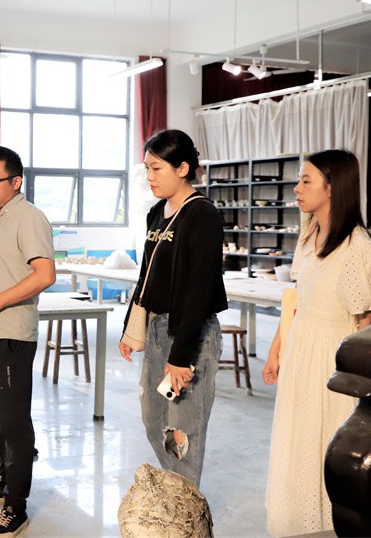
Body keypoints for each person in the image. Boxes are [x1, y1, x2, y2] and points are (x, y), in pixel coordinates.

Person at [262, 149, 371, 537]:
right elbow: (297, 300)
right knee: (296, 440)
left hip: (333, 360)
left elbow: (366, 322)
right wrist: (276, 349)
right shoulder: (309, 235)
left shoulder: (358, 248)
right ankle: (294, 524)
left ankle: (326, 525)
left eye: (306, 181)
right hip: (301, 349)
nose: (296, 188)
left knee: (326, 443)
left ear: (332, 188)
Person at [118, 129, 227, 487]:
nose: (149, 177)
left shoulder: (202, 214)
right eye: (147, 168)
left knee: (182, 432)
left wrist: (181, 355)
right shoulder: (157, 212)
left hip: (189, 334)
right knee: (154, 422)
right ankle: (177, 495)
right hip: (156, 329)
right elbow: (147, 275)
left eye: (156, 168)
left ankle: (186, 506)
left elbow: (199, 290)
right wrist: (131, 328)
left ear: (182, 169)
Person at [0, 145, 55, 537]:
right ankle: (6, 482)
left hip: (9, 332)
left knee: (13, 420)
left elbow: (45, 274)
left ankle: (16, 506)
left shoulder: (29, 217)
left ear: (16, 182)